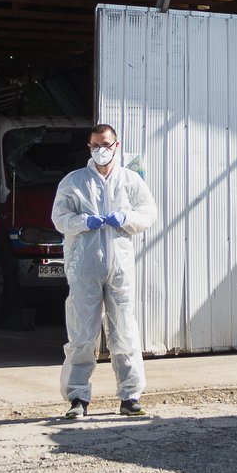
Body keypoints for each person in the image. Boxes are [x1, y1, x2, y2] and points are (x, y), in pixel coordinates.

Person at [51, 123, 156, 420]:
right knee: (83, 334)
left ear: (116, 145)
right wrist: (85, 222)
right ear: (89, 147)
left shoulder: (131, 180)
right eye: (96, 145)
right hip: (84, 267)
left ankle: (130, 396)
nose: (101, 150)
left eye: (106, 145)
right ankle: (77, 397)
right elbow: (60, 217)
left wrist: (126, 218)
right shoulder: (74, 182)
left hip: (119, 267)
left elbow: (148, 213)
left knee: (124, 331)